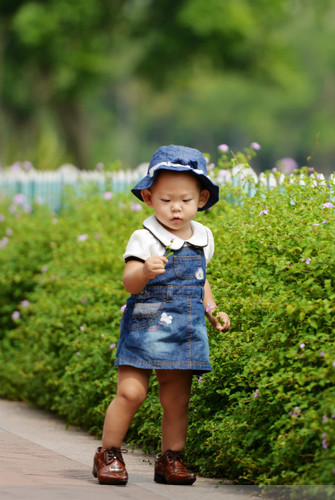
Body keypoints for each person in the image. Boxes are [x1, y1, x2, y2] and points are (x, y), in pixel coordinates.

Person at [92, 145, 230, 486]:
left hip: (185, 327)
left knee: (176, 399)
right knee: (131, 393)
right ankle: (108, 453)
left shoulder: (203, 238)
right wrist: (145, 272)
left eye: (184, 200)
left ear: (201, 198)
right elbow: (129, 282)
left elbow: (201, 280)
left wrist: (212, 310)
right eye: (166, 200)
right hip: (146, 324)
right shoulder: (145, 236)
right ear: (149, 197)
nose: (176, 208)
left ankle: (171, 459)